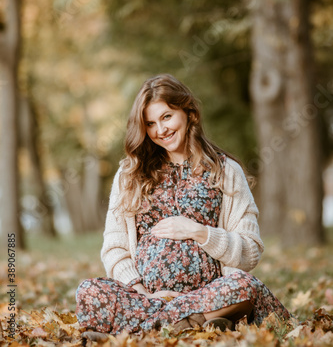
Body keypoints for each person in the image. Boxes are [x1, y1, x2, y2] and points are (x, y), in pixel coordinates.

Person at [75, 74, 291, 336]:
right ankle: (185, 322)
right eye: (150, 123)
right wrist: (145, 293)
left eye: (167, 117)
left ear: (189, 113)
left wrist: (198, 231)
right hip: (147, 298)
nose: (160, 130)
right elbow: (114, 247)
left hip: (208, 295)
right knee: (88, 290)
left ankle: (141, 328)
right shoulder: (130, 174)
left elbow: (250, 249)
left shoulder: (226, 171)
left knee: (243, 287)